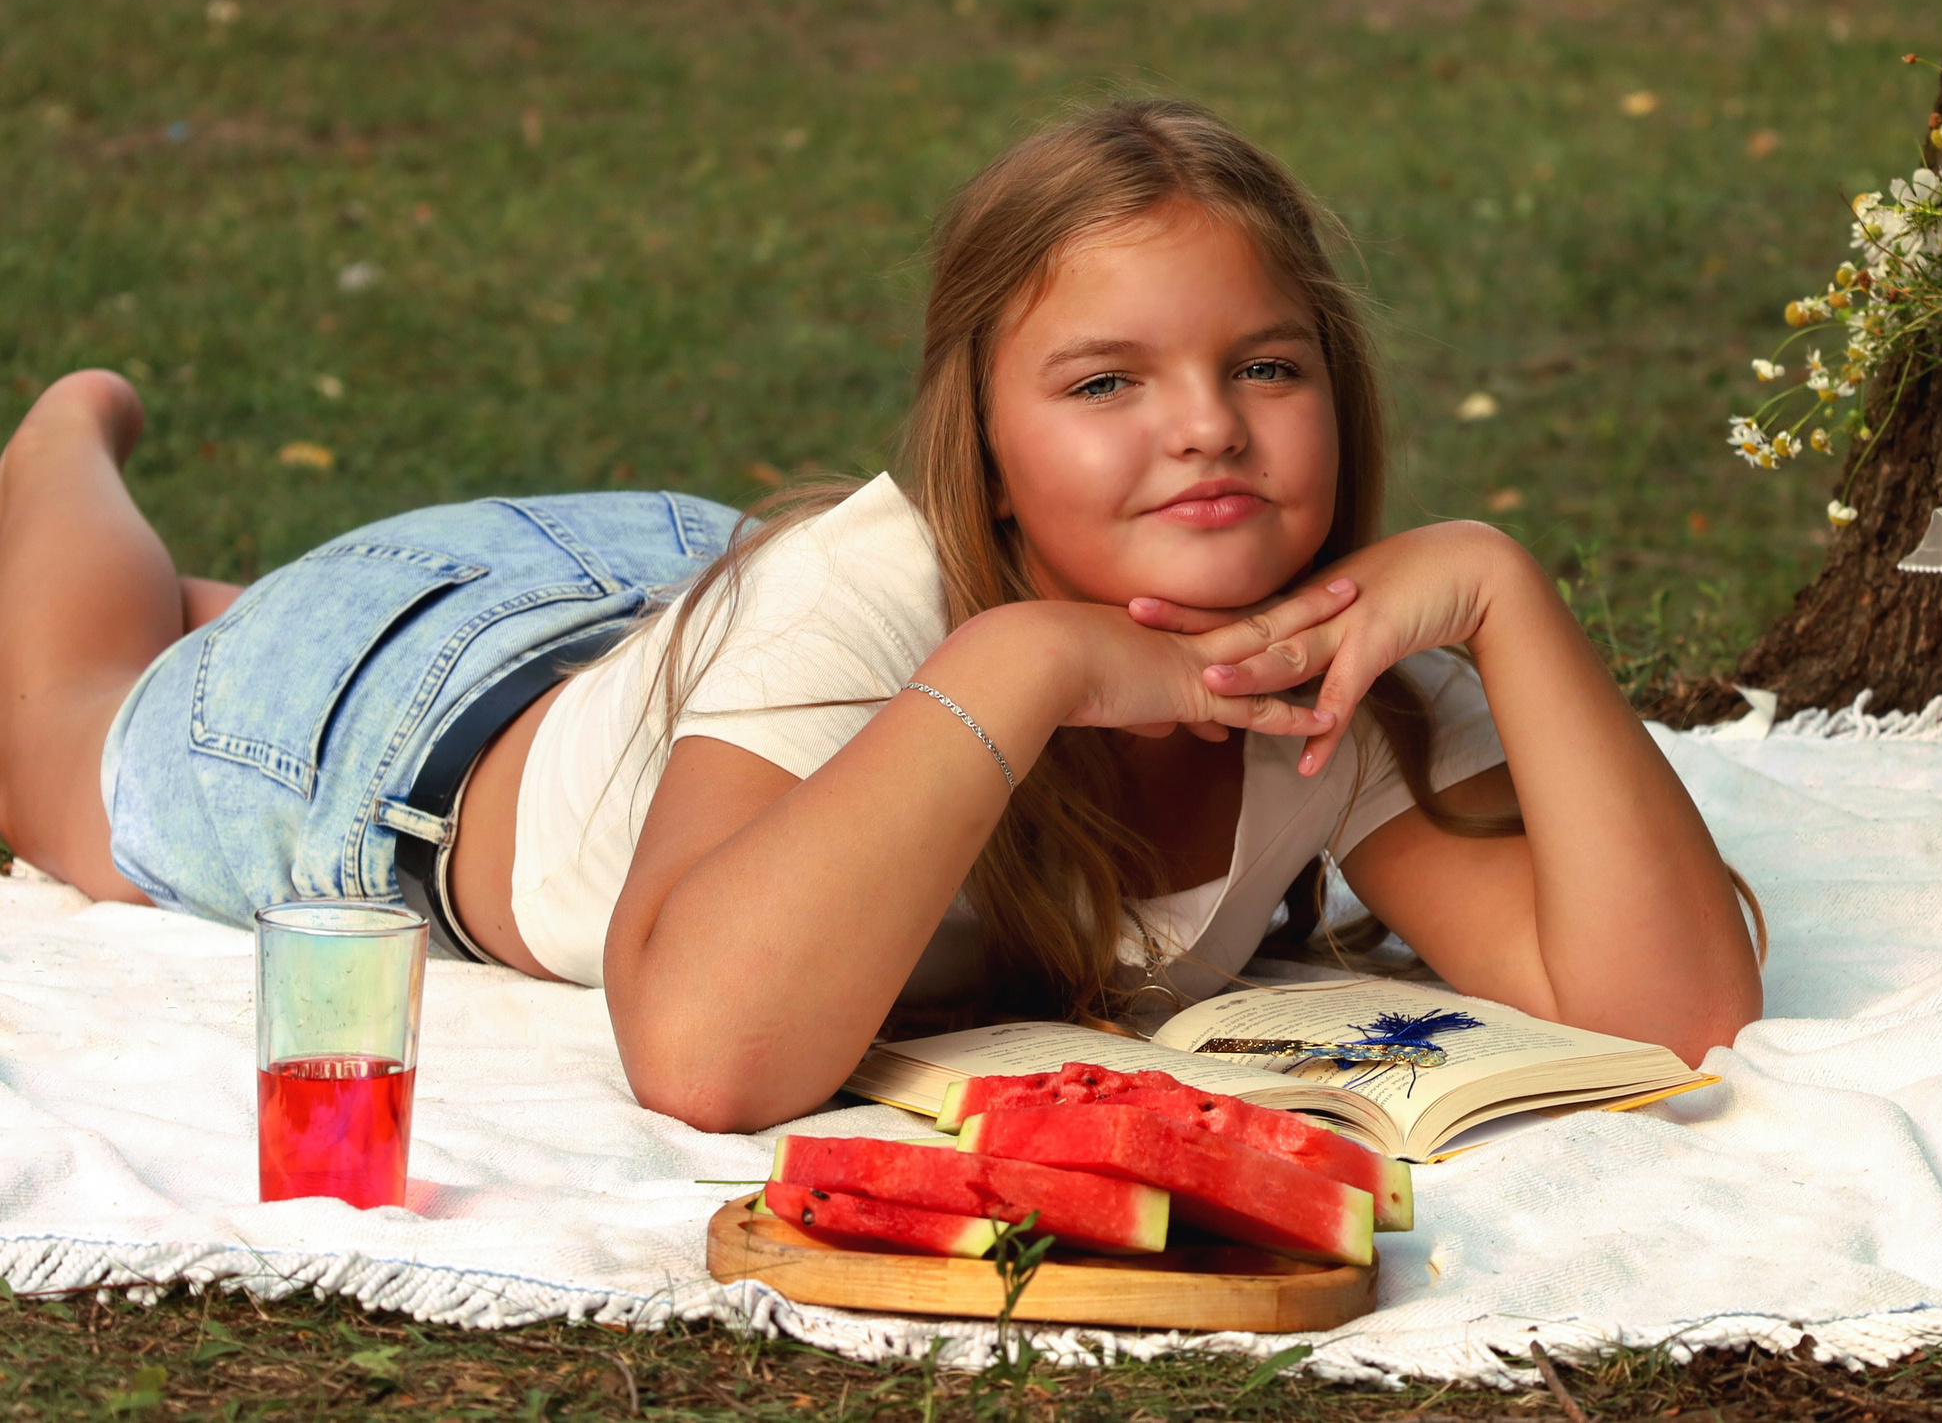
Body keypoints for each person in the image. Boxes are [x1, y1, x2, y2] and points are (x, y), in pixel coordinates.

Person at [0, 100, 1762, 1133]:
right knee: (70, 734)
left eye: (1266, 365)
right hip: (399, 730)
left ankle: (233, 587)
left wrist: (1509, 604)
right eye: (1104, 380)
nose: (1207, 423)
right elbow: (705, 1057)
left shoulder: (1335, 658)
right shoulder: (896, 596)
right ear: (983, 460)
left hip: (670, 602)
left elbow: (1673, 1010)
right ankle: (69, 438)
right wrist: (1033, 660)